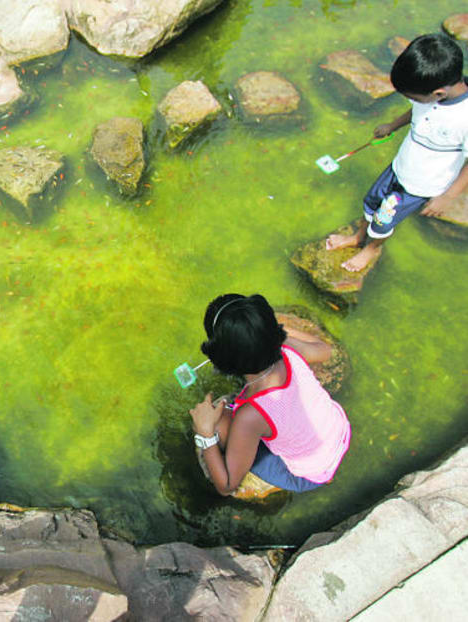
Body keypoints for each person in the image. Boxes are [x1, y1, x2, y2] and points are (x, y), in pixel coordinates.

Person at [326, 33, 468, 272]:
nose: (410, 101)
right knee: (371, 201)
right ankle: (360, 236)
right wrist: (392, 125)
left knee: (385, 219)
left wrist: (448, 196)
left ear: (438, 94)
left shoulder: (463, 118)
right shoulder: (431, 93)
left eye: (411, 97)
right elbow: (418, 111)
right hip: (399, 167)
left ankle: (372, 248)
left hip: (419, 185)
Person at [189, 294, 350, 494]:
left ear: (221, 358)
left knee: (220, 422)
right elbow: (325, 350)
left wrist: (204, 433)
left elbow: (227, 485)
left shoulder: (250, 415)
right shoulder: (289, 350)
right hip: (339, 432)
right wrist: (274, 333)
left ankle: (313, 477)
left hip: (309, 475)